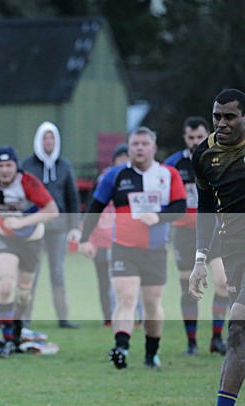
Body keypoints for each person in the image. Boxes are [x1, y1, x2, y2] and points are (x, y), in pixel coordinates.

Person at [79, 127, 186, 370]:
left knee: (151, 304)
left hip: (155, 250)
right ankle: (121, 348)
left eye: (144, 143)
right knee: (125, 298)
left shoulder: (168, 174)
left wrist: (158, 217)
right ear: (129, 148)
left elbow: (180, 207)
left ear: (153, 148)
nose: (139, 148)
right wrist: (85, 238)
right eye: (134, 144)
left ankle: (151, 353)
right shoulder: (116, 176)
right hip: (123, 248)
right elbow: (95, 207)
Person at [187, 88, 245, 406]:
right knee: (240, 335)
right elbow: (206, 208)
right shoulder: (204, 155)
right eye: (217, 116)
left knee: (237, 326)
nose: (222, 123)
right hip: (235, 250)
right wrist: (200, 260)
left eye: (230, 117)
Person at [0, 146, 58, 357]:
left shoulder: (28, 183)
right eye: (0, 165)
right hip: (6, 240)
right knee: (5, 286)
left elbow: (52, 211)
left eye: (9, 165)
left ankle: (16, 330)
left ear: (16, 166)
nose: (5, 170)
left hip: (32, 243)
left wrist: (23, 221)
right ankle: (7, 340)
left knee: (23, 294)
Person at [165, 117, 228, 356]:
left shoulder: (219, 159)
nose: (195, 142)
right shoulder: (173, 165)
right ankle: (191, 341)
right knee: (188, 288)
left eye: (199, 137)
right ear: (184, 137)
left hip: (213, 231)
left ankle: (217, 338)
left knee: (222, 281)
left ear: (208, 134)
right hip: (185, 233)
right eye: (190, 138)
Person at [20, 121, 81, 328]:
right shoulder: (27, 166)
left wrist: (74, 226)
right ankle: (24, 317)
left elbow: (72, 198)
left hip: (59, 226)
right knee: (31, 271)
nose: (49, 142)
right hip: (34, 226)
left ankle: (63, 317)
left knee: (57, 271)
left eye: (52, 138)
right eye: (45, 138)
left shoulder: (64, 166)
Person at [88, 143, 129, 325]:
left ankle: (132, 317)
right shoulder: (103, 180)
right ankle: (108, 317)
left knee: (126, 281)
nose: (124, 162)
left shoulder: (135, 181)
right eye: (121, 159)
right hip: (101, 239)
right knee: (105, 282)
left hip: (124, 240)